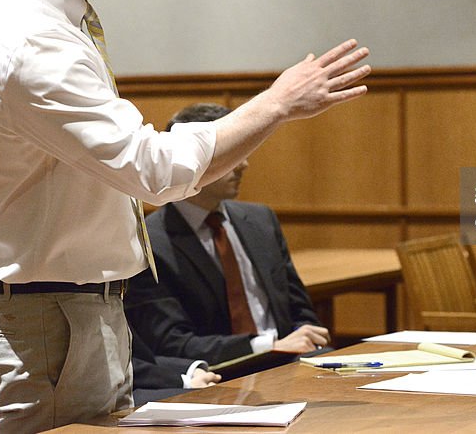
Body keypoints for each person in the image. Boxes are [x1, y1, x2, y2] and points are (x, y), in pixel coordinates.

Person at [0, 0, 369, 433]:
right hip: (50, 315)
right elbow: (152, 171)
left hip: (69, 308)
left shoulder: (45, 24)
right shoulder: (30, 41)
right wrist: (274, 104)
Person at [124, 103, 329, 381]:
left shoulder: (260, 220)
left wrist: (306, 336)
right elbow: (172, 343)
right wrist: (267, 347)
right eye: (232, 152)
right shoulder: (151, 242)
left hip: (294, 362)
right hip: (220, 375)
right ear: (191, 161)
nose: (244, 163)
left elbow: (299, 309)